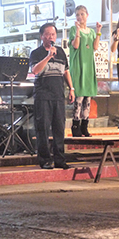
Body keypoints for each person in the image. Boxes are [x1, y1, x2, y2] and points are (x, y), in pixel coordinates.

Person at [29, 23, 75, 169]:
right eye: (47, 34)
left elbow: (66, 71)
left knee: (59, 129)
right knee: (42, 128)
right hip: (43, 95)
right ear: (42, 36)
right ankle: (45, 160)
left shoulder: (60, 52)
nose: (51, 37)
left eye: (53, 34)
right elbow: (35, 70)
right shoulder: (36, 53)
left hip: (58, 95)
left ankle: (60, 160)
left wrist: (71, 89)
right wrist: (48, 57)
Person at [68, 5, 102, 137]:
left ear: (87, 15)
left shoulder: (91, 31)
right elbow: (75, 45)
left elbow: (95, 46)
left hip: (89, 66)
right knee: (79, 98)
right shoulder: (73, 29)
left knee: (88, 98)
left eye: (82, 14)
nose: (80, 17)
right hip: (78, 65)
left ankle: (85, 125)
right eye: (77, 15)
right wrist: (77, 30)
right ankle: (75, 125)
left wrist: (98, 31)